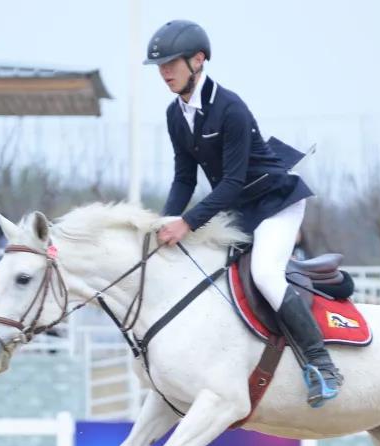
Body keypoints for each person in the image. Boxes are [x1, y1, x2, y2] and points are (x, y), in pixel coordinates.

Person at [145, 19, 342, 407]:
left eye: (171, 63)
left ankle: (322, 364)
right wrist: (164, 222)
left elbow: (232, 181)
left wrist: (186, 223)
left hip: (275, 203)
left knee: (266, 275)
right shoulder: (175, 114)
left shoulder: (229, 107)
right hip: (238, 209)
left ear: (198, 60)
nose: (164, 72)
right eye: (160, 66)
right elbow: (184, 178)